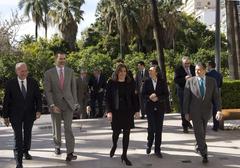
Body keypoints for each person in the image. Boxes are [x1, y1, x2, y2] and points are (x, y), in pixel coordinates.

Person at [2, 62, 42, 168]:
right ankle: (18, 162)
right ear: (17, 71)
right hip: (15, 115)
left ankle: (26, 151)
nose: (24, 73)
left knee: (27, 134)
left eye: (25, 71)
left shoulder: (33, 82)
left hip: (30, 114)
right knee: (18, 137)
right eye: (21, 71)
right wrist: (5, 116)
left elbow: (38, 97)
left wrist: (39, 110)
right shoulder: (10, 83)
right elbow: (6, 101)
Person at [183, 62, 222, 163]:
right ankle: (204, 153)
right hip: (194, 112)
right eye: (196, 70)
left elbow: (216, 98)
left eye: (199, 69)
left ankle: (198, 145)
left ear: (205, 70)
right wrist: (186, 113)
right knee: (199, 132)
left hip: (207, 112)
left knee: (202, 132)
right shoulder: (190, 81)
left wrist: (218, 110)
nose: (197, 71)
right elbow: (186, 99)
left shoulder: (212, 81)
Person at [44, 51, 78, 162]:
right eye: (60, 59)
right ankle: (57, 145)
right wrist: (52, 105)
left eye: (64, 58)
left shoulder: (70, 71)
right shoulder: (48, 73)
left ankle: (70, 152)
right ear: (56, 59)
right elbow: (48, 91)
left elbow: (73, 88)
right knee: (56, 128)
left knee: (68, 128)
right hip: (56, 105)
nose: (63, 60)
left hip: (68, 104)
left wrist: (75, 102)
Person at [106, 64, 139, 166]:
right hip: (116, 111)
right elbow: (107, 98)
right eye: (120, 71)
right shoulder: (111, 83)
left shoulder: (130, 82)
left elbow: (134, 97)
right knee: (116, 132)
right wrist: (109, 112)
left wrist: (137, 110)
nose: (123, 73)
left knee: (127, 133)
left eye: (124, 71)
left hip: (128, 111)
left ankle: (124, 155)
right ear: (117, 72)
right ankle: (115, 145)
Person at [142, 66, 168, 158]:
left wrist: (158, 98)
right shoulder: (146, 81)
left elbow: (166, 94)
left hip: (160, 108)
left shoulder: (162, 81)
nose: (149, 71)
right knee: (151, 128)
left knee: (158, 129)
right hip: (150, 108)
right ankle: (149, 144)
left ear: (156, 72)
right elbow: (143, 94)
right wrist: (149, 97)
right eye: (149, 70)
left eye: (151, 70)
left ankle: (157, 149)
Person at [174, 56, 195, 133]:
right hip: (182, 91)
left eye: (188, 63)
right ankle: (184, 126)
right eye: (185, 63)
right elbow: (176, 80)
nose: (187, 65)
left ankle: (189, 121)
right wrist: (184, 78)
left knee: (191, 108)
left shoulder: (193, 67)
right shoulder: (178, 69)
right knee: (184, 108)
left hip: (193, 90)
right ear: (182, 63)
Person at [206, 60, 223, 131]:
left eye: (207, 65)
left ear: (210, 66)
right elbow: (220, 85)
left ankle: (204, 124)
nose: (207, 67)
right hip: (217, 93)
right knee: (216, 109)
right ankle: (216, 126)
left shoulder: (207, 74)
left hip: (209, 93)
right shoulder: (219, 74)